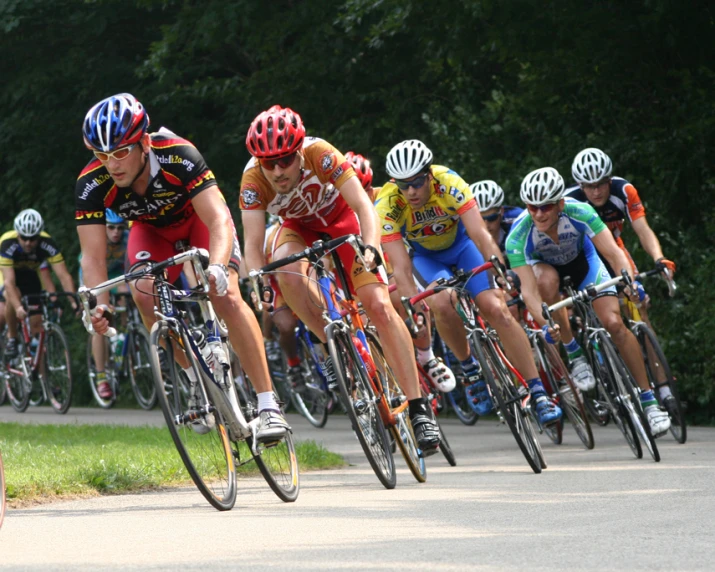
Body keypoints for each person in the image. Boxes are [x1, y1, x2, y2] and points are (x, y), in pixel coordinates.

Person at [76, 93, 285, 442]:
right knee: (143, 293)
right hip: (151, 233)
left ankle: (268, 406)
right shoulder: (91, 184)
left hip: (199, 222)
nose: (112, 164)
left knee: (228, 296)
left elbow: (218, 220)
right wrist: (100, 304)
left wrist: (218, 268)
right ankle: (195, 382)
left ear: (144, 142)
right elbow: (93, 258)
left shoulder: (178, 154)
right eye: (102, 154)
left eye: (121, 152)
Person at [240, 106, 441, 453]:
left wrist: (372, 248)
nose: (276, 170)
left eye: (285, 159)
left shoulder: (322, 154)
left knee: (378, 304)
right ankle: (336, 346)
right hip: (299, 228)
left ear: (300, 150)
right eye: (267, 162)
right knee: (282, 266)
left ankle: (419, 408)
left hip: (344, 220)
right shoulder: (253, 180)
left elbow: (365, 208)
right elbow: (253, 245)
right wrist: (257, 281)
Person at [375, 140, 561, 426]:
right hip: (426, 258)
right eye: (403, 184)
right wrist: (413, 307)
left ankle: (538, 391)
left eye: (416, 182)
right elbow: (400, 265)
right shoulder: (387, 204)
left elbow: (480, 234)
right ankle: (469, 368)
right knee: (442, 301)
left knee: (496, 308)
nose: (410, 191)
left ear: (429, 174)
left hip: (463, 247)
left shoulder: (450, 183)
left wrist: (498, 269)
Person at [505, 167, 670, 435]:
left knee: (615, 323)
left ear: (560, 203)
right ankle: (573, 351)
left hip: (585, 263)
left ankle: (649, 401)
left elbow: (614, 255)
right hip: (546, 271)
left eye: (546, 207)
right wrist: (545, 324)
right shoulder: (518, 235)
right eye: (532, 207)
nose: (538, 214)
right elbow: (529, 292)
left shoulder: (580, 211)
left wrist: (629, 284)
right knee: (546, 281)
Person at [0, 209, 77, 358]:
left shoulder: (47, 243)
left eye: (33, 238)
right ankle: (12, 338)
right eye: (24, 238)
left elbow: (64, 276)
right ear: (17, 234)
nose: (28, 243)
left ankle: (43, 377)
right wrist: (18, 307)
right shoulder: (7, 243)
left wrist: (74, 302)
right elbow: (9, 283)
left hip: (29, 274)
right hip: (6, 274)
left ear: (39, 236)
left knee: (37, 326)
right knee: (11, 297)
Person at [78, 209, 130, 399]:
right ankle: (101, 376)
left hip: (118, 277)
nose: (116, 232)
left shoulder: (128, 238)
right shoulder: (96, 239)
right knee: (99, 317)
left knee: (127, 295)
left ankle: (125, 334)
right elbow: (86, 268)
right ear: (104, 228)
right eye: (111, 227)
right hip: (95, 276)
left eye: (119, 227)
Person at [470, 180, 524, 256]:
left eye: (492, 217)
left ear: (501, 211)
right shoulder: (463, 230)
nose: (486, 225)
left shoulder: (517, 218)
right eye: (479, 220)